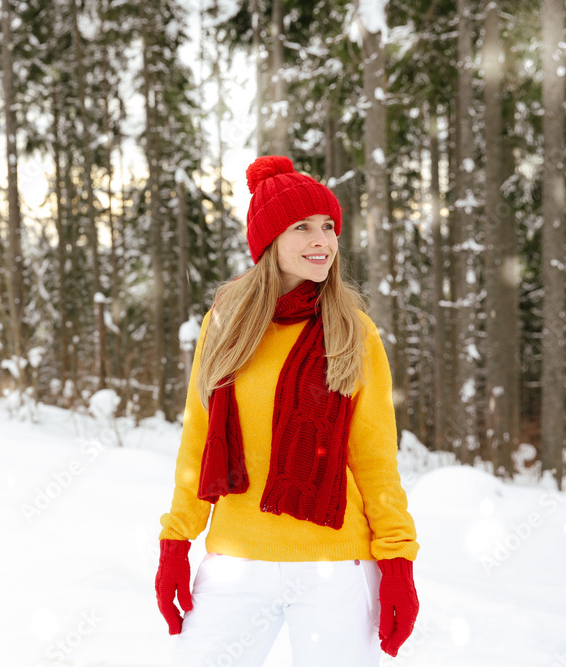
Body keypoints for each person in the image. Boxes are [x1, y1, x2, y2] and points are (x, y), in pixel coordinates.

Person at [155, 155, 419, 667]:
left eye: (328, 227)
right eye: (302, 227)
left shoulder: (353, 330)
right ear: (269, 240)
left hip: (336, 569)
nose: (322, 240)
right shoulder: (226, 323)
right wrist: (175, 541)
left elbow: (375, 458)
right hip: (235, 563)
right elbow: (199, 436)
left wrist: (397, 560)